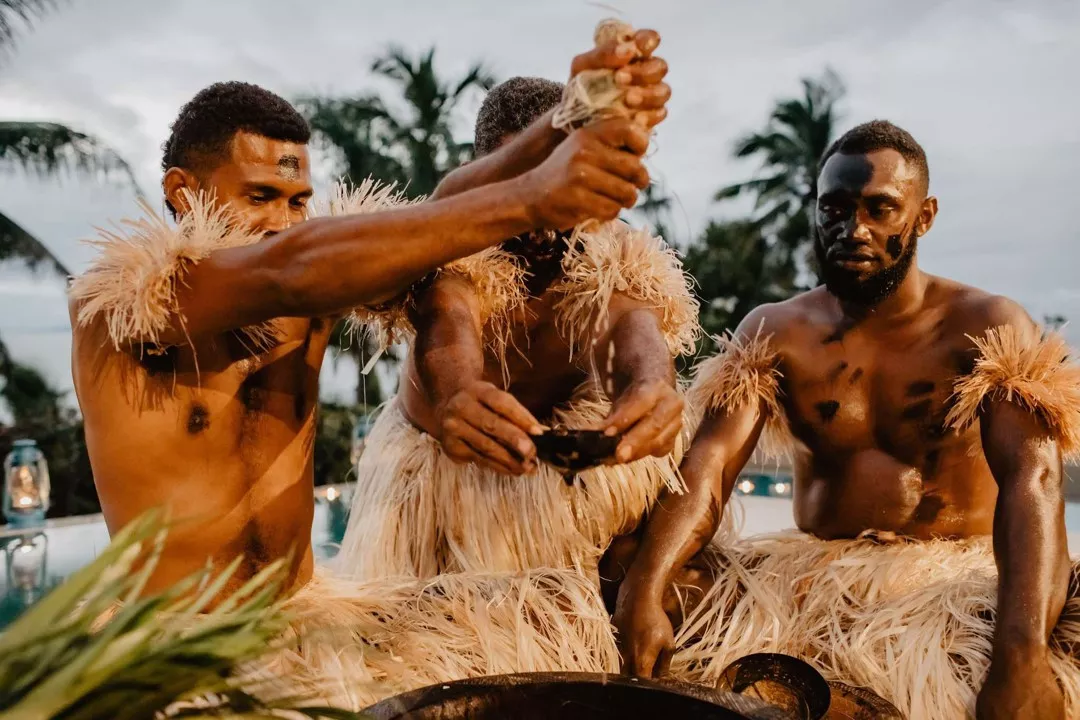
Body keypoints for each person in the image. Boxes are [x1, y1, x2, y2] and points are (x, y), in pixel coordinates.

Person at [67, 30, 673, 708]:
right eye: (260, 195)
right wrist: (533, 198)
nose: (281, 222)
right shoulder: (130, 303)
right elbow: (288, 270)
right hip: (175, 644)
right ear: (183, 191)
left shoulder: (320, 285)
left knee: (553, 610)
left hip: (302, 623)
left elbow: (434, 216)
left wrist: (569, 122)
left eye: (297, 201)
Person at [612, 120, 1080, 719]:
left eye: (880, 209)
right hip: (809, 575)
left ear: (924, 215)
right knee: (626, 565)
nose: (853, 229)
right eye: (834, 209)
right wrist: (645, 589)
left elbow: (1033, 481)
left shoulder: (988, 325)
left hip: (949, 580)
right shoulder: (776, 330)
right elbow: (709, 466)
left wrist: (1020, 658)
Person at [334, 67, 700, 586]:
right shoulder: (444, 254)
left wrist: (652, 387)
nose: (542, 216)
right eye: (523, 183)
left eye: (560, 182)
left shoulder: (610, 257)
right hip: (438, 501)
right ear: (484, 176)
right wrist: (457, 393)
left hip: (560, 502)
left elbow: (631, 320)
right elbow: (450, 313)